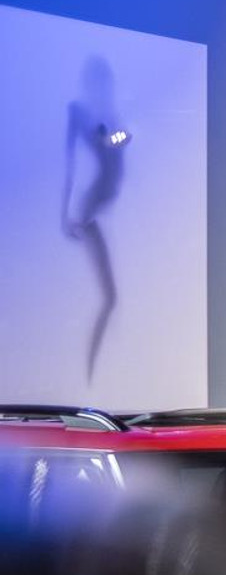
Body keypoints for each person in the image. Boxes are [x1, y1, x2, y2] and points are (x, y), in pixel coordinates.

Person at [63, 57, 126, 383]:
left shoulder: (109, 117)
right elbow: (72, 162)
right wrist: (66, 214)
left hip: (100, 210)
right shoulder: (82, 114)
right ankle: (88, 380)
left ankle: (92, 377)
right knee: (109, 298)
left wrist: (116, 137)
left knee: (110, 299)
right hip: (90, 213)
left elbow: (123, 139)